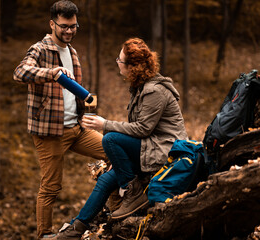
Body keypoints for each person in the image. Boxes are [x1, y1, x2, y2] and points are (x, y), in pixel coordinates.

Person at [56, 38, 188, 239]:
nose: (117, 61)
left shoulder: (154, 91)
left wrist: (104, 124)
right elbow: (141, 131)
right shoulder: (141, 87)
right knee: (106, 180)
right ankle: (76, 229)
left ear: (132, 67)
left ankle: (133, 194)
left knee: (110, 139)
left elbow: (143, 129)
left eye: (119, 59)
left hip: (166, 151)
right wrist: (119, 160)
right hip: (150, 146)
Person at [13, 1, 107, 239]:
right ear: (52, 24)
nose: (69, 31)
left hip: (77, 127)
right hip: (49, 132)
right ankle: (45, 235)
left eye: (73, 26)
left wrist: (87, 108)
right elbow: (20, 72)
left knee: (113, 150)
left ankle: (115, 212)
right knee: (51, 188)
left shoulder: (73, 52)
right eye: (64, 26)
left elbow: (72, 92)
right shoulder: (40, 49)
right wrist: (51, 73)